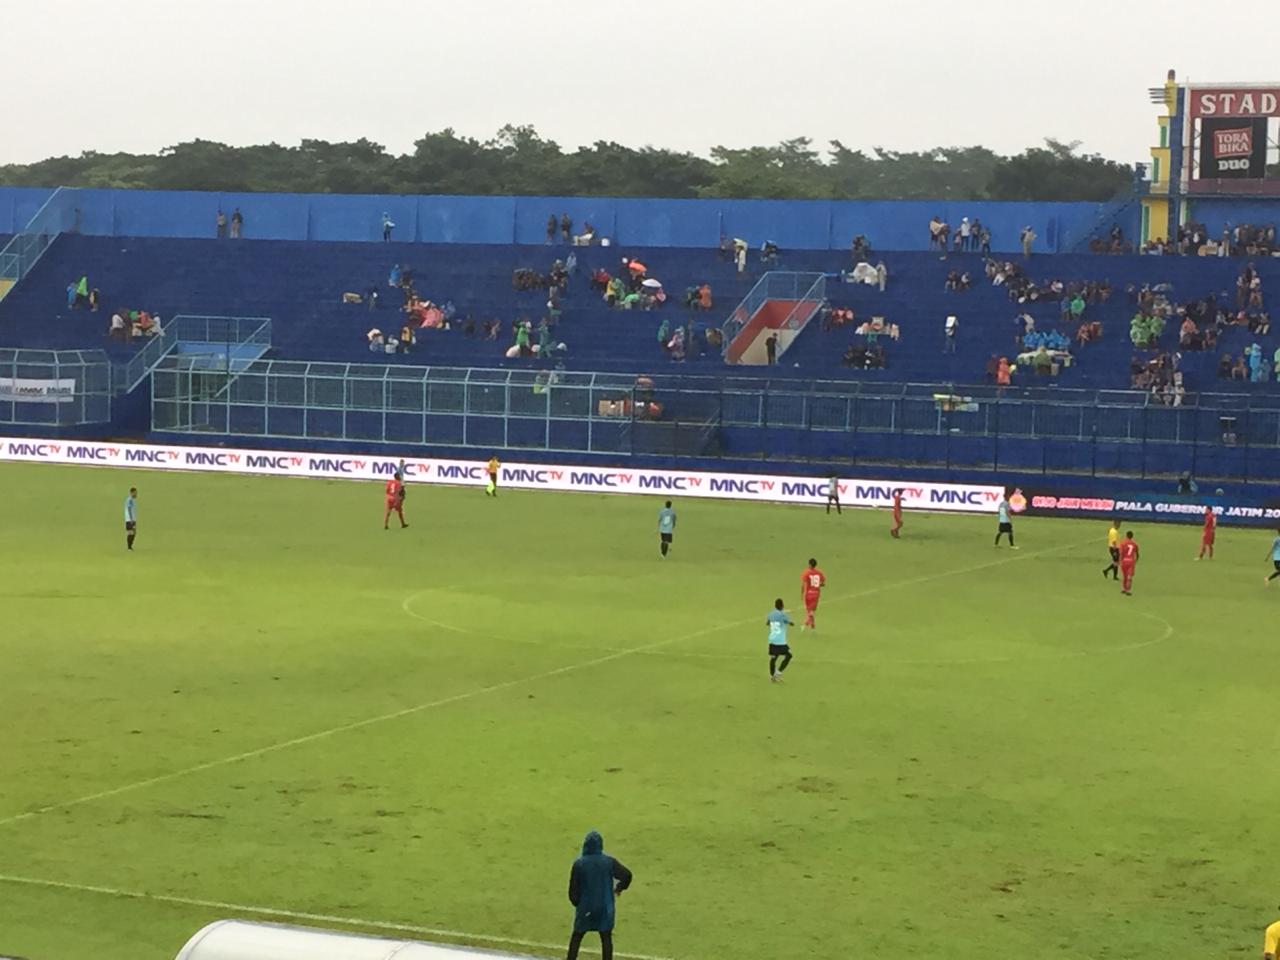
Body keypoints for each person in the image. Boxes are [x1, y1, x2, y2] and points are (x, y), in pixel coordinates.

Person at [565, 830, 632, 960]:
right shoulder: (609, 862)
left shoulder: (579, 864)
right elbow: (627, 875)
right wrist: (619, 888)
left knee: (577, 936)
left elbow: (573, 891)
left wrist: (577, 903)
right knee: (606, 938)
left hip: (586, 908)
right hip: (604, 908)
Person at [766, 598, 794, 682]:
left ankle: (772, 676)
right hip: (781, 642)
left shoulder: (770, 614)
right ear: (782, 606)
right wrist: (788, 622)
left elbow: (767, 623)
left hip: (772, 640)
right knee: (789, 655)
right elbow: (791, 623)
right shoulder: (783, 615)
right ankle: (778, 672)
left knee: (773, 658)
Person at [800, 557, 825, 630]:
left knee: (809, 611)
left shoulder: (806, 573)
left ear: (810, 564)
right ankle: (813, 624)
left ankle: (805, 624)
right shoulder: (819, 573)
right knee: (812, 610)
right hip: (816, 594)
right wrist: (819, 585)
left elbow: (803, 585)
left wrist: (801, 594)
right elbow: (823, 582)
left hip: (808, 594)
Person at [1118, 530, 1139, 595]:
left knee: (1124, 576)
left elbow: (1121, 553)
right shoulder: (1134, 544)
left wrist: (1120, 561)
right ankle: (1128, 590)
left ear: (1126, 536)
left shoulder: (1122, 543)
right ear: (1132, 536)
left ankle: (1123, 589)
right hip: (1131, 561)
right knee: (1129, 576)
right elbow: (1137, 554)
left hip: (1124, 561)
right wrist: (1135, 561)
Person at [123, 487, 138, 551]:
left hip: (133, 519)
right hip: (129, 520)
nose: (136, 494)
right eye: (135, 493)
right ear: (132, 493)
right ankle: (129, 547)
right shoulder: (129, 500)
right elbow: (129, 509)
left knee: (134, 532)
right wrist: (131, 519)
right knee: (131, 532)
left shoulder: (132, 500)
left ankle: (130, 546)